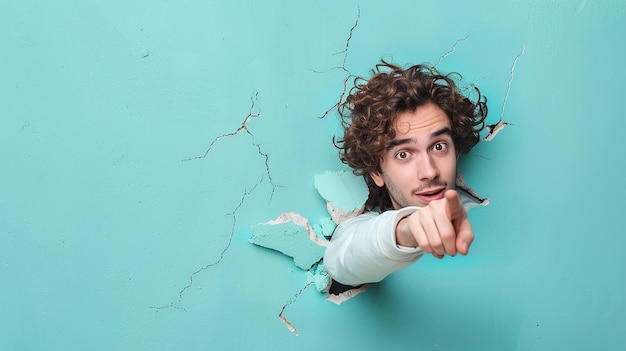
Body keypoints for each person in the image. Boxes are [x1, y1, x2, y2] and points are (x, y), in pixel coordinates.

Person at [323, 61, 488, 293]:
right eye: (403, 154)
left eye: (439, 147)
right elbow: (341, 261)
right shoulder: (365, 230)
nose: (429, 171)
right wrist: (409, 229)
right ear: (376, 172)